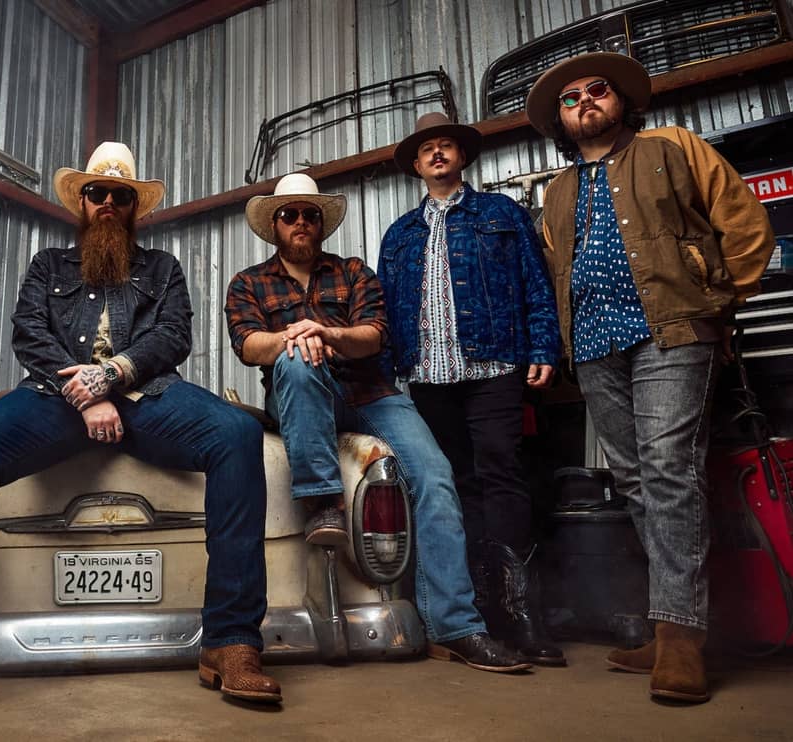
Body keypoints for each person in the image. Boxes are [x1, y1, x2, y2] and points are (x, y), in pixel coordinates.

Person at [0, 141, 277, 733]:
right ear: (82, 201)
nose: (107, 203)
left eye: (120, 195)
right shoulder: (49, 264)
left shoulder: (162, 268)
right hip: (56, 397)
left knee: (237, 433)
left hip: (147, 396)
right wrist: (87, 394)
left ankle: (231, 642)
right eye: (97, 193)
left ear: (133, 207)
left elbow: (173, 336)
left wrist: (113, 375)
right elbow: (29, 333)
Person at [525, 52, 775, 703]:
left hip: (671, 330)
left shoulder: (673, 147)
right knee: (635, 479)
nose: (585, 100)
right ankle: (670, 623)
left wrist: (719, 303)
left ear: (621, 100)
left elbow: (745, 225)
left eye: (596, 90)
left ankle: (680, 637)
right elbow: (555, 269)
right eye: (570, 97)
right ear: (559, 119)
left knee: (668, 469)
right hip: (593, 346)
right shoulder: (557, 191)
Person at [224, 172, 530, 673]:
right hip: (299, 395)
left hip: (371, 393)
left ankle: (454, 626)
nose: (300, 222)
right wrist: (297, 339)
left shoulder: (352, 271)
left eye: (309, 214)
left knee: (435, 478)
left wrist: (326, 332)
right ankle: (323, 504)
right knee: (296, 361)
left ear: (320, 224)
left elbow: (374, 335)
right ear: (274, 225)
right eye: (289, 214)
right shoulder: (249, 282)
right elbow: (248, 345)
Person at [377, 113, 564, 666]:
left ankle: (519, 613)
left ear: (461, 157)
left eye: (445, 146)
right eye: (427, 150)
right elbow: (387, 309)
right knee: (452, 485)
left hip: (493, 366)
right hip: (428, 376)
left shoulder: (500, 213)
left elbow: (536, 282)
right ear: (416, 166)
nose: (437, 154)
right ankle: (474, 611)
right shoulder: (400, 233)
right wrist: (386, 375)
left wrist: (544, 347)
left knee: (503, 474)